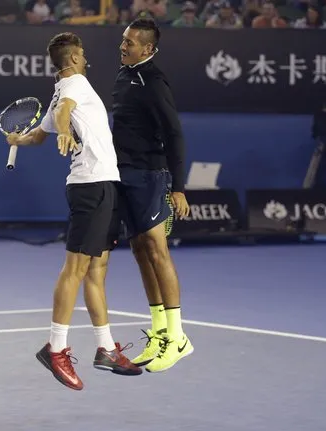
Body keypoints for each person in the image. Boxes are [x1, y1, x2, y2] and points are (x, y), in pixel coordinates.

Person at [6, 32, 141, 391]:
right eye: (83, 54)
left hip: (105, 183)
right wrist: (65, 132)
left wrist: (17, 139)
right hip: (91, 186)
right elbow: (64, 116)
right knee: (76, 269)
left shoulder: (58, 93)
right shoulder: (74, 84)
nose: (86, 59)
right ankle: (56, 348)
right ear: (75, 58)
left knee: (97, 270)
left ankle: (106, 348)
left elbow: (38, 135)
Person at [112, 18, 193, 373]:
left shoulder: (154, 81)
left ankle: (177, 337)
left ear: (147, 48)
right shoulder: (123, 76)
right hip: (126, 173)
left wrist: (177, 186)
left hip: (150, 175)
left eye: (130, 42)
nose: (123, 45)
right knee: (141, 251)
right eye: (123, 40)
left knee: (158, 251)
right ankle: (159, 332)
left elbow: (174, 134)